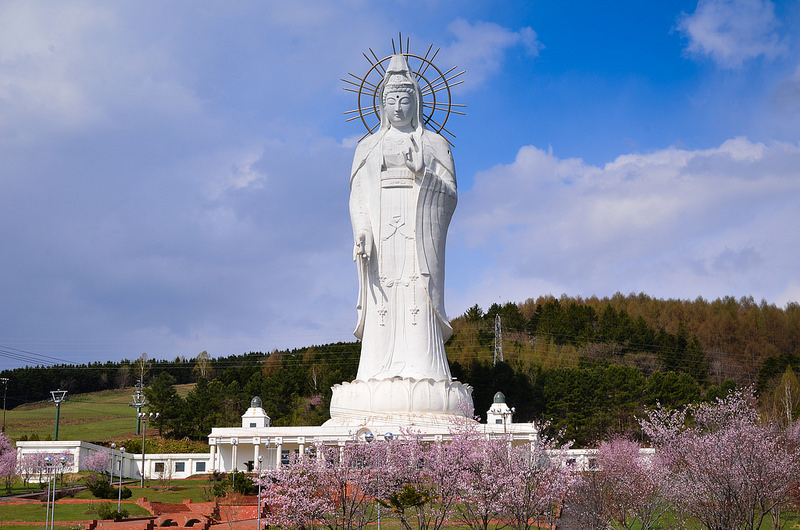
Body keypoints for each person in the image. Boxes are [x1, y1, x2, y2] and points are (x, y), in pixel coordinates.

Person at [349, 54, 457, 382]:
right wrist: (363, 231)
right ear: (381, 104)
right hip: (381, 238)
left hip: (418, 233)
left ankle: (426, 374)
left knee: (416, 297)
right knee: (383, 299)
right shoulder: (367, 146)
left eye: (404, 98)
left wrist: (423, 171)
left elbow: (450, 193)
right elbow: (357, 198)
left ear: (417, 101)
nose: (398, 106)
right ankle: (375, 374)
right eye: (391, 99)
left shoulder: (434, 144)